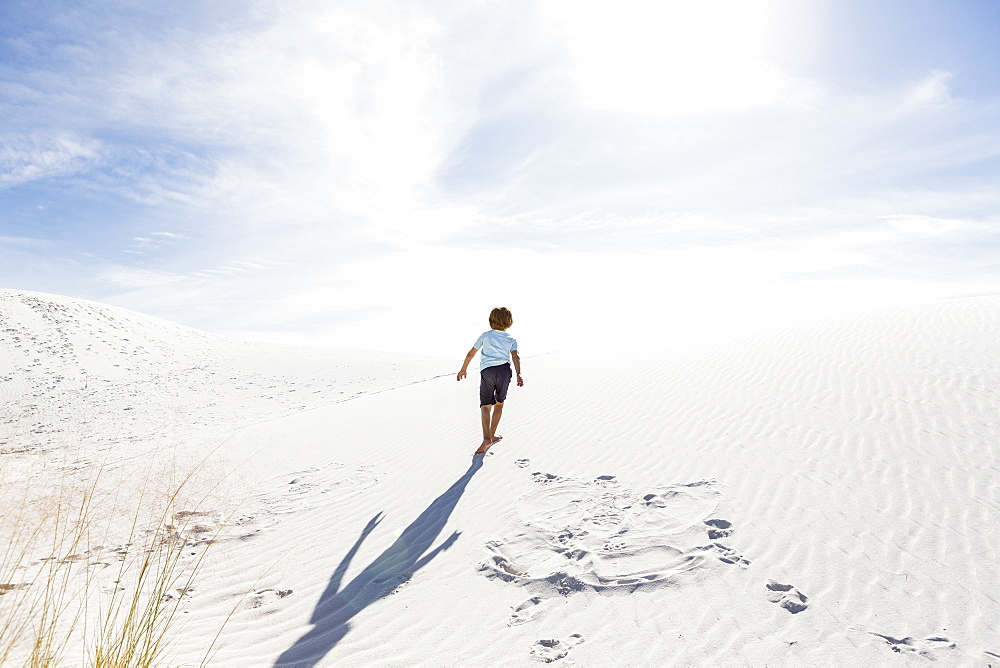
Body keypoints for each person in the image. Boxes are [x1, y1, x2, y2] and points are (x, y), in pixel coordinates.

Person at [457, 307, 523, 455]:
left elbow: (471, 353)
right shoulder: (511, 339)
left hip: (488, 371)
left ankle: (487, 437)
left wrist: (463, 368)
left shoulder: (485, 336)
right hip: (504, 371)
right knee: (499, 403)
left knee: (486, 406)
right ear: (509, 322)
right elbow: (515, 357)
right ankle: (492, 435)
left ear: (491, 320)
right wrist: (519, 374)